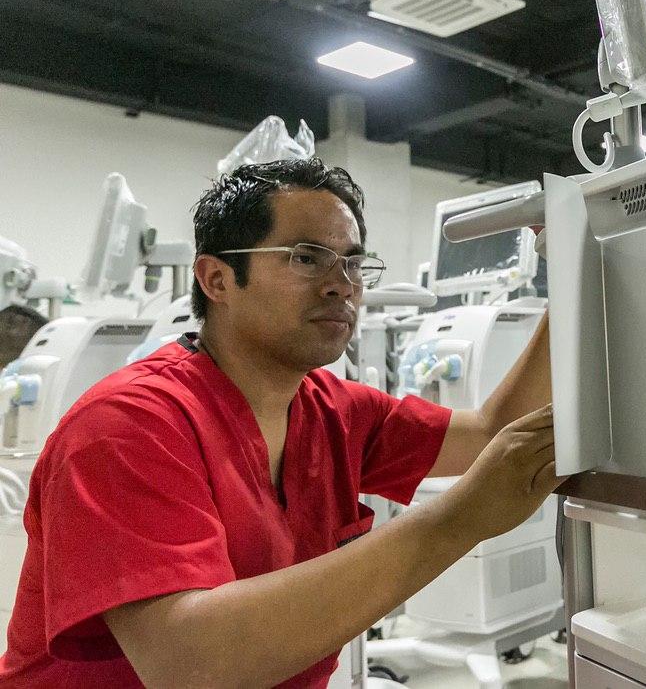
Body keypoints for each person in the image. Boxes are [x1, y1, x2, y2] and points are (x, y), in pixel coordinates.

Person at [0, 158, 560, 688]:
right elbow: (188, 665)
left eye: (353, 263)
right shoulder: (127, 426)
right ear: (217, 279)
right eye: (305, 257)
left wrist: (568, 283)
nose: (341, 283)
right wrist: (458, 521)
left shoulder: (332, 410)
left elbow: (493, 432)